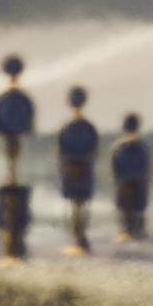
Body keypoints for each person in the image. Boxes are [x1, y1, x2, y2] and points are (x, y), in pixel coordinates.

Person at [57, 86, 99, 254]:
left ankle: (77, 236)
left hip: (71, 168)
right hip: (84, 167)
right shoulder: (88, 127)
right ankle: (81, 236)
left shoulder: (66, 127)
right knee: (82, 203)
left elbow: (60, 152)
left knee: (74, 204)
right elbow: (94, 150)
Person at [111, 113, 151, 240]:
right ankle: (137, 229)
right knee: (136, 210)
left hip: (125, 184)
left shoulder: (118, 148)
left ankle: (129, 229)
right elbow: (146, 169)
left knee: (126, 209)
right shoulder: (142, 148)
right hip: (137, 184)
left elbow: (114, 169)